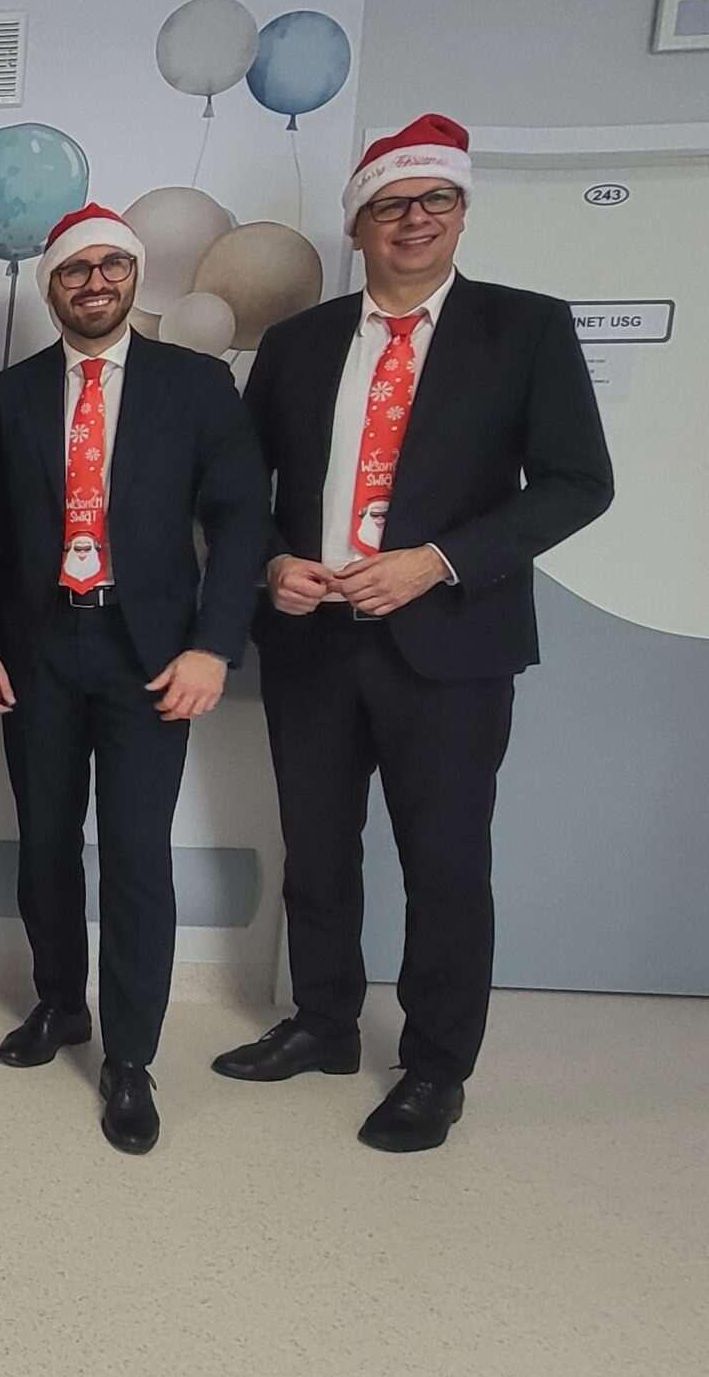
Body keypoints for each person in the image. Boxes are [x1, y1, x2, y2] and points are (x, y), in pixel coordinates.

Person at [221, 114, 613, 1153]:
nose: (413, 219)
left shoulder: (525, 329)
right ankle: (324, 1022)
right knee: (317, 850)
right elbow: (239, 488)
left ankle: (437, 1066)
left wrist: (436, 560)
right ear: (357, 226)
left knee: (443, 863)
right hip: (313, 640)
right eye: (390, 204)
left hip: (452, 645)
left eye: (435, 200)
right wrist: (272, 563)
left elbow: (579, 482)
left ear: (461, 213)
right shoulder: (299, 343)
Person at [0, 206, 267, 1154]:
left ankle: (131, 1055)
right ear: (51, 286)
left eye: (112, 267)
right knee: (46, 842)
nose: (94, 283)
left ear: (135, 277)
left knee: (136, 853)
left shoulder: (196, 383)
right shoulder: (7, 393)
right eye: (75, 271)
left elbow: (241, 519)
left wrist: (215, 645)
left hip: (154, 657)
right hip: (38, 650)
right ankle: (61, 1002)